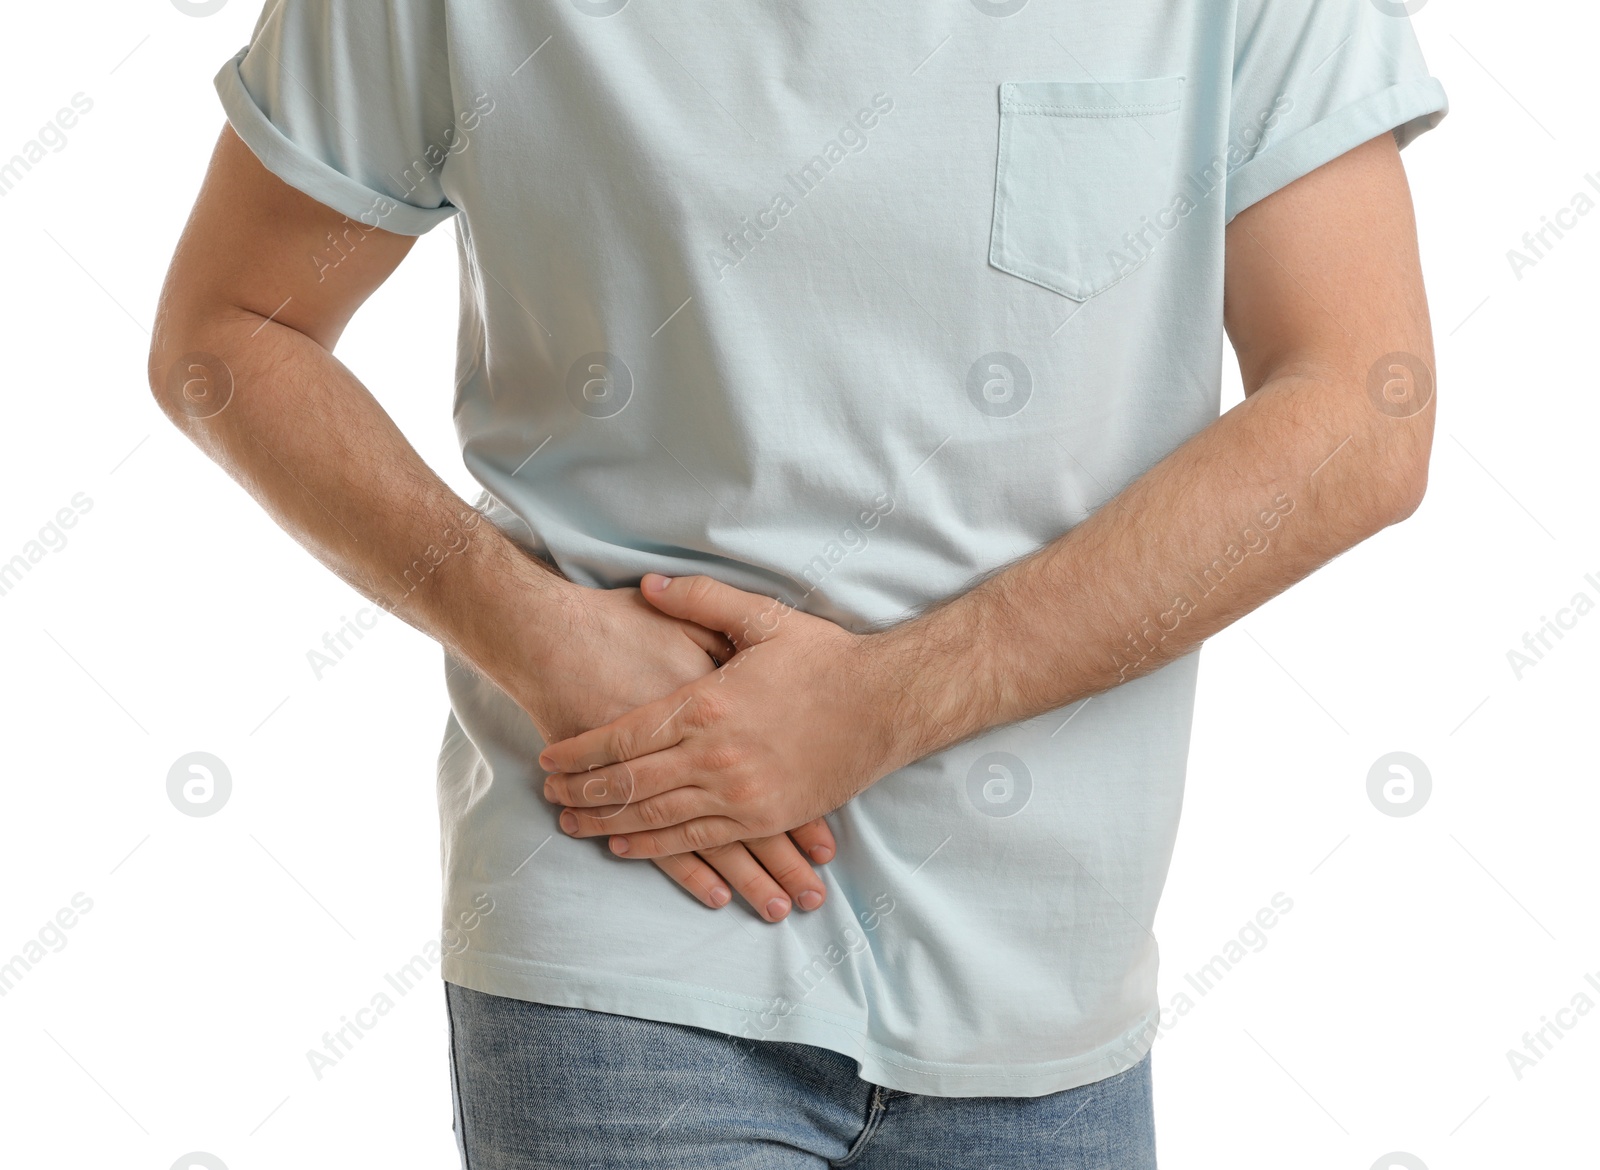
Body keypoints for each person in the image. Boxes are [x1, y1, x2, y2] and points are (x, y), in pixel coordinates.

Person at [148, 1, 1447, 1165]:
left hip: (1053, 991)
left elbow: (1359, 409)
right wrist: (537, 634)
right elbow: (230, 332)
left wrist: (887, 701)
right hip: (630, 899)